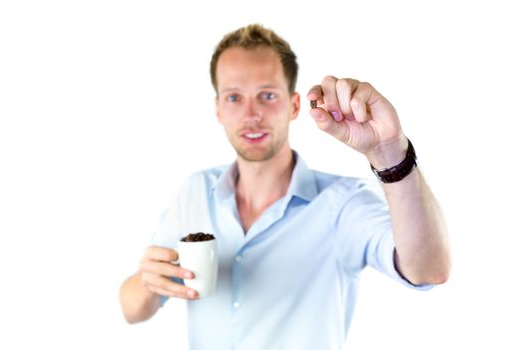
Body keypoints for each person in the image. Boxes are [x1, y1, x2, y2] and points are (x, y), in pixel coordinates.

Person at [119, 24, 451, 349]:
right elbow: (131, 310)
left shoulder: (342, 204)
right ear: (218, 108)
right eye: (234, 97)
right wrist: (147, 283)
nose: (251, 114)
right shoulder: (193, 191)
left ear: (293, 106)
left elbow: (429, 269)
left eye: (267, 95)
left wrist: (389, 152)